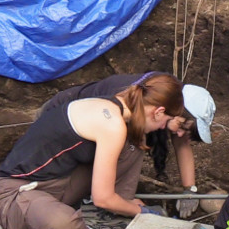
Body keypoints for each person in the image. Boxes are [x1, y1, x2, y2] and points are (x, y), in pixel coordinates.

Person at [0, 72, 185, 229]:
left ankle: (118, 208)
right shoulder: (111, 124)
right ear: (158, 111)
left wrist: (126, 205)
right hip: (16, 194)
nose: (162, 128)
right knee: (64, 228)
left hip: (57, 184)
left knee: (135, 142)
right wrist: (142, 212)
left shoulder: (113, 106)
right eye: (166, 120)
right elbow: (102, 198)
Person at [39, 72, 217, 219]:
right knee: (134, 144)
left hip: (84, 128)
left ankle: (113, 204)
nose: (179, 134)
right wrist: (132, 208)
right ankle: (109, 207)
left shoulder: (171, 102)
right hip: (57, 119)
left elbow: (182, 144)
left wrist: (190, 190)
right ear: (163, 111)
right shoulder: (132, 98)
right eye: (181, 127)